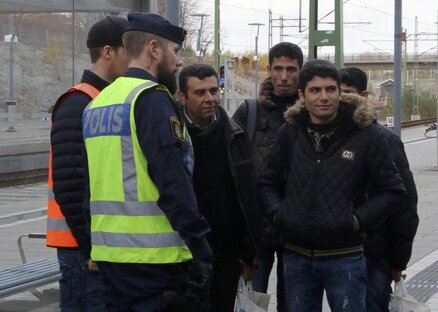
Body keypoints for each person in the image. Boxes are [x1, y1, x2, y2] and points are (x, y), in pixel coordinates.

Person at [81, 12, 213, 311]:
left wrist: (92, 245)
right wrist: (200, 246)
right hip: (155, 260)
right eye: (175, 51)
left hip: (110, 258)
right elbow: (171, 178)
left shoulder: (98, 103)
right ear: (154, 49)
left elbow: (90, 183)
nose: (179, 62)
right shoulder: (150, 98)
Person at [258, 59, 405, 311]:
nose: (324, 97)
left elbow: (394, 191)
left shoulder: (366, 135)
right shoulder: (290, 133)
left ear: (339, 92)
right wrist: (280, 214)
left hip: (346, 258)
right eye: (315, 90)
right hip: (296, 256)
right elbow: (266, 182)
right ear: (302, 95)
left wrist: (356, 220)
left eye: (330, 89)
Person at [48, 15, 128, 311]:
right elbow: (69, 184)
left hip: (98, 250)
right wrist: (91, 246)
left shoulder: (104, 100)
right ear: (108, 52)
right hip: (83, 253)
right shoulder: (78, 103)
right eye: (128, 51)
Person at [177, 63, 260, 312]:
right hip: (183, 254)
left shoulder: (234, 136)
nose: (210, 98)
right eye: (200, 93)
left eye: (214, 91)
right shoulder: (173, 137)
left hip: (225, 254)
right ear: (182, 97)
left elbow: (247, 198)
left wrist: (248, 256)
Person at [339, 67, 419, 312]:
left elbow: (404, 205)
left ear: (363, 95)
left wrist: (398, 260)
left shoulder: (385, 140)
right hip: (339, 250)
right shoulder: (330, 139)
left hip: (374, 253)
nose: (342, 101)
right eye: (338, 95)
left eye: (348, 94)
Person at [232, 41, 303, 311]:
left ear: (300, 71)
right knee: (253, 301)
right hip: (257, 229)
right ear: (269, 70)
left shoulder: (308, 114)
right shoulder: (249, 112)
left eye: (290, 70)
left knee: (294, 303)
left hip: (296, 228)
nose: (283, 76)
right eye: (278, 69)